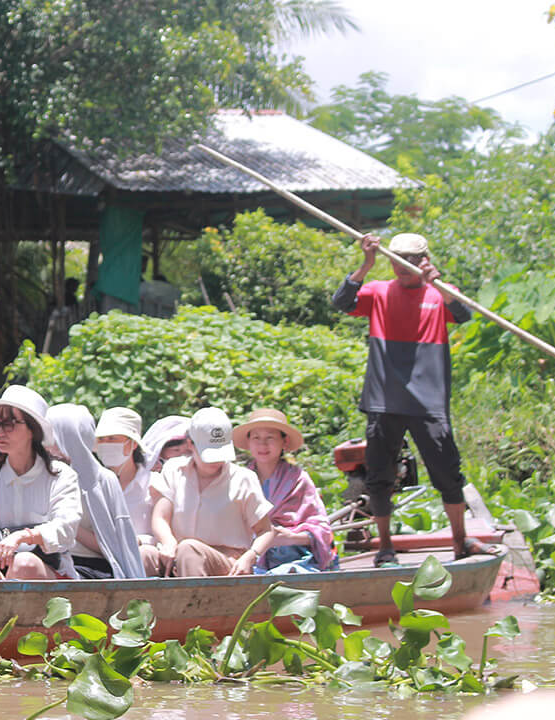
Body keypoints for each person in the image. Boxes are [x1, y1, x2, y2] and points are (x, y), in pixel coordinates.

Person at [331, 232, 488, 567]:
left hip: (428, 402)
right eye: (398, 258)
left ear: (424, 260)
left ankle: (461, 541)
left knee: (447, 472)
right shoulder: (379, 291)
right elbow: (342, 301)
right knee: (379, 476)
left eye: (413, 259)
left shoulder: (439, 294)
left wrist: (439, 284)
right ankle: (385, 546)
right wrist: (366, 264)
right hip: (385, 400)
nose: (404, 265)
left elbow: (462, 314)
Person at [0, 385, 82, 580]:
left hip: (52, 576)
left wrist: (21, 537)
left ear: (32, 429)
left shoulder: (61, 475)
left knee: (24, 563)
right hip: (0, 572)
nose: (0, 432)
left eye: (9, 424)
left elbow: (66, 527)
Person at [150, 407, 276, 577]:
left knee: (189, 550)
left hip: (224, 561)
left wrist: (250, 557)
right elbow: (160, 517)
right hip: (177, 556)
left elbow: (265, 530)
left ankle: (195, 603)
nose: (216, 461)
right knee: (144, 555)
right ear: (190, 445)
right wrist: (167, 542)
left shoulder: (243, 478)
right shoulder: (174, 470)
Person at [233, 408, 337, 573]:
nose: (263, 444)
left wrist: (288, 538)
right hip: (245, 558)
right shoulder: (239, 479)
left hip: (296, 560)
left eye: (270, 438)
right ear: (248, 443)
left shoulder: (298, 479)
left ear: (284, 442)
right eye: (256, 438)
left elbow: (322, 530)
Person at [47, 404, 145, 579]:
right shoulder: (41, 473)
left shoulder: (102, 480)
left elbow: (113, 544)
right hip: (48, 561)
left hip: (89, 569)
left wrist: (66, 524)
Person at [93, 407, 162, 576]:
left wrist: (138, 541)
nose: (106, 444)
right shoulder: (91, 486)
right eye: (102, 439)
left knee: (144, 554)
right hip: (100, 558)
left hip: (146, 561)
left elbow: (165, 530)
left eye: (112, 438)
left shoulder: (154, 484)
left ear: (132, 443)